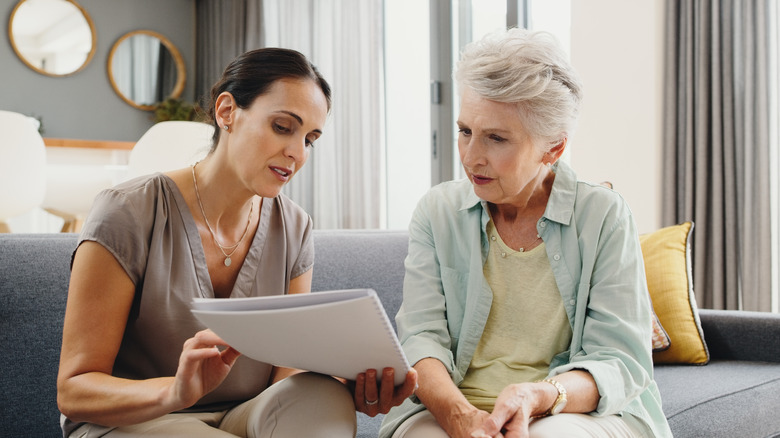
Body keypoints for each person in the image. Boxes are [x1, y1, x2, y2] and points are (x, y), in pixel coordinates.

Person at [57, 47, 416, 437]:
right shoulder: (128, 211)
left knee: (320, 400)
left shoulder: (294, 227)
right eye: (282, 127)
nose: (296, 153)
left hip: (245, 418)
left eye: (310, 139)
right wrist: (174, 392)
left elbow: (287, 375)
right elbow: (75, 390)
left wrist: (345, 386)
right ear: (226, 111)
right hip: (137, 421)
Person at [379, 28, 672, 438]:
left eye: (496, 138)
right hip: (454, 407)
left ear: (552, 149)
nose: (470, 156)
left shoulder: (603, 216)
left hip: (571, 409)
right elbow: (421, 339)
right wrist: (461, 419)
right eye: (465, 131)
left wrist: (539, 395)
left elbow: (619, 360)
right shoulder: (437, 212)